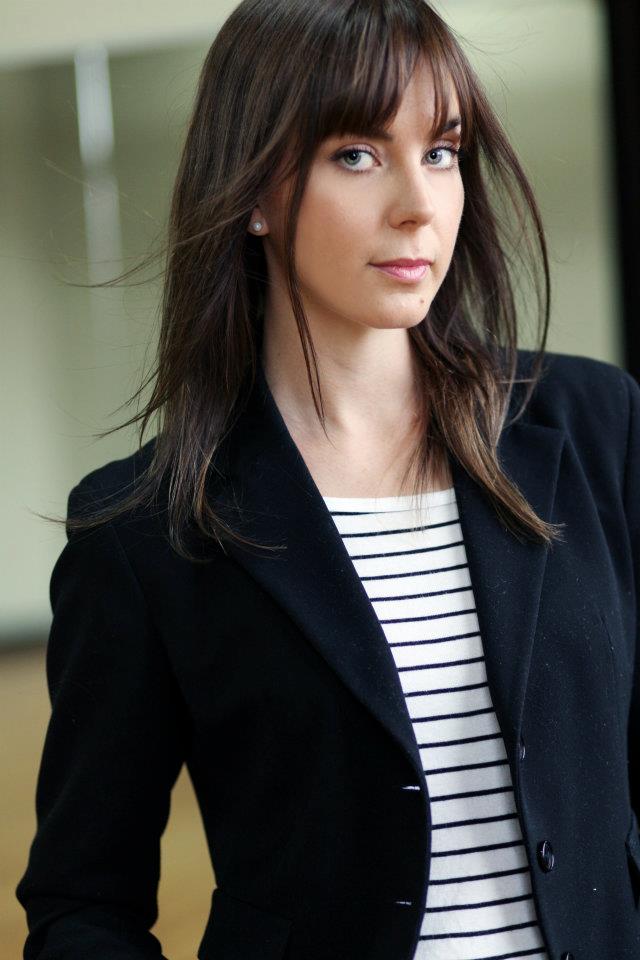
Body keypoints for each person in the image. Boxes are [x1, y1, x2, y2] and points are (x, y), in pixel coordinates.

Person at [15, 0, 640, 958]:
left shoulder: (595, 427)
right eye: (356, 154)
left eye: (441, 151)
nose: (419, 203)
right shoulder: (145, 531)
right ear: (255, 194)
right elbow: (81, 906)